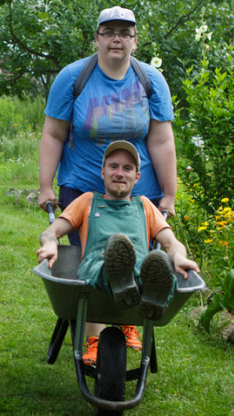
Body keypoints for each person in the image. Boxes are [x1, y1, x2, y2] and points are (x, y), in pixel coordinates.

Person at [37, 141, 199, 366]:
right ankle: (127, 283)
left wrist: (180, 257)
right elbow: (51, 232)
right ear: (103, 172)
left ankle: (147, 291)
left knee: (156, 263)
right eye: (113, 166)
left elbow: (172, 243)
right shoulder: (87, 201)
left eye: (127, 168)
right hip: (97, 265)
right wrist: (51, 244)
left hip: (140, 268)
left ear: (137, 176)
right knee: (108, 259)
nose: (120, 173)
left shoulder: (144, 206)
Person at [37, 6, 178, 244]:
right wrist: (45, 186)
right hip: (84, 194)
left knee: (139, 266)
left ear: (135, 41)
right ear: (97, 39)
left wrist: (169, 195)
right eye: (108, 32)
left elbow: (161, 141)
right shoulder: (72, 77)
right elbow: (53, 135)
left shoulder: (151, 81)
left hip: (139, 197)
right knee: (89, 264)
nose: (116, 39)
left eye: (125, 33)